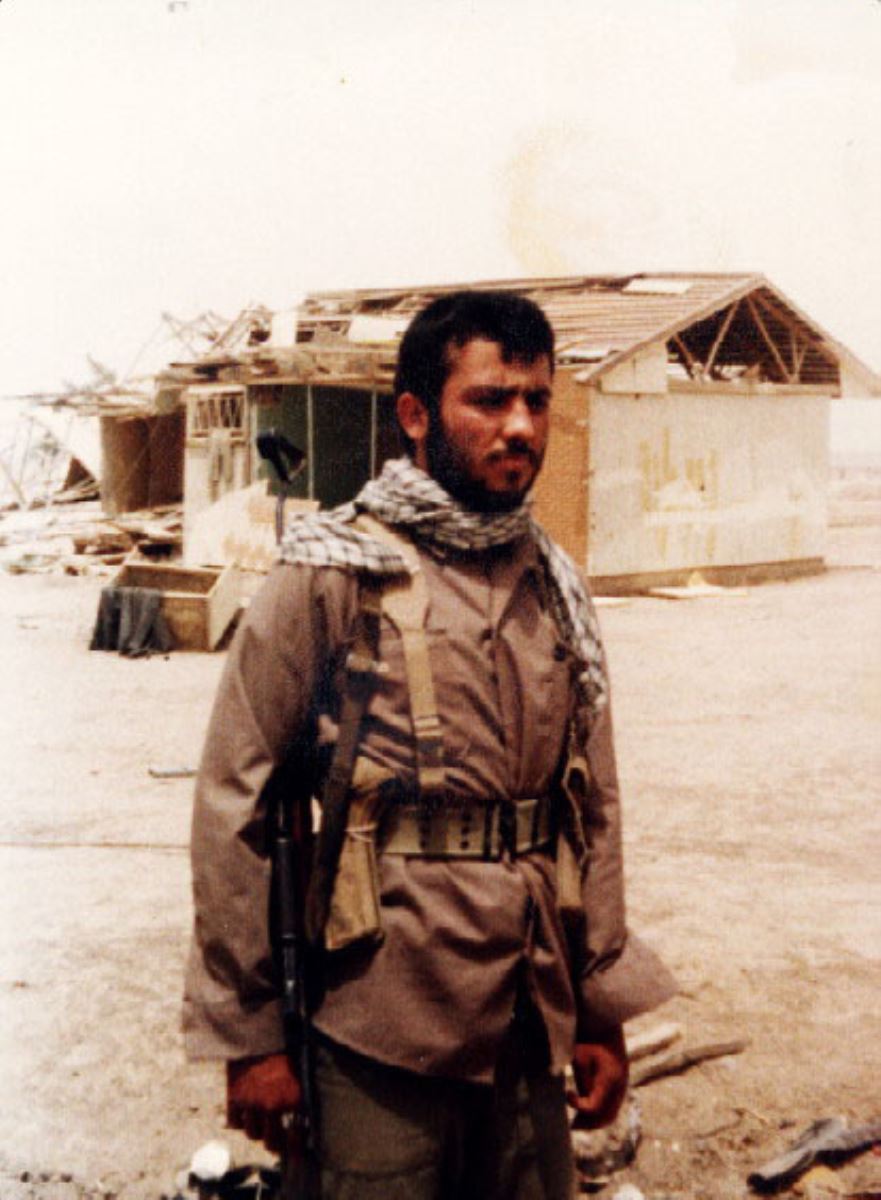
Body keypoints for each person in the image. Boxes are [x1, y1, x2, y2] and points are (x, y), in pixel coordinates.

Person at [183, 290, 676, 1199]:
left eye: (535, 400)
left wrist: (599, 1009)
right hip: (379, 1021)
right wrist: (250, 1035)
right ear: (414, 415)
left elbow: (589, 809)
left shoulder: (554, 586)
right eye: (489, 400)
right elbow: (233, 804)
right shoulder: (332, 572)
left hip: (528, 1014)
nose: (519, 425)